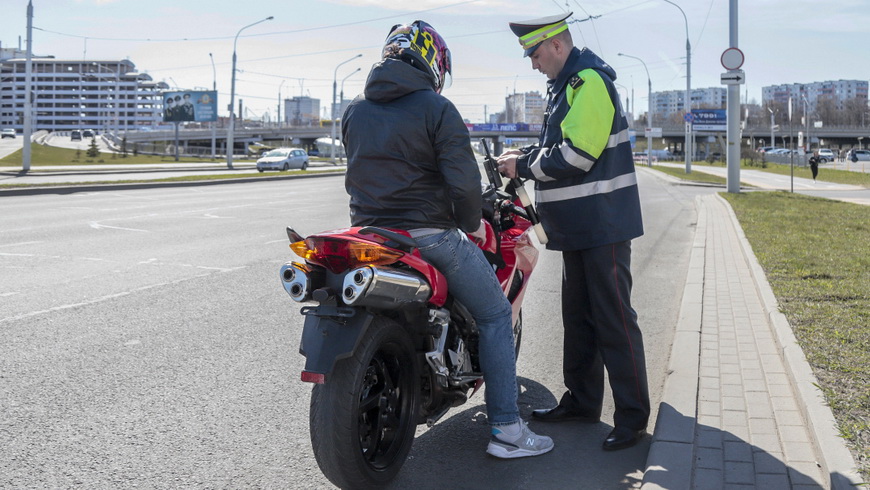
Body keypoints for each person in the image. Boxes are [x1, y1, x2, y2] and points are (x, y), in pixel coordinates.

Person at [341, 20, 553, 459]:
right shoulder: (437, 109)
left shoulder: (355, 109)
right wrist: (471, 222)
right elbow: (463, 184)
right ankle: (508, 432)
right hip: (428, 236)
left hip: (369, 233)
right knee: (495, 315)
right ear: (433, 61)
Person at [497, 12, 650, 451]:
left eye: (535, 53)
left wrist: (523, 165)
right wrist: (522, 154)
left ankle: (633, 418)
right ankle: (582, 402)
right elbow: (556, 146)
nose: (533, 63)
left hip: (602, 226)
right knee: (579, 320)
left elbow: (578, 154)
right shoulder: (566, 87)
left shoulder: (588, 82)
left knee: (615, 321)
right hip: (582, 228)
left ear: (558, 46)